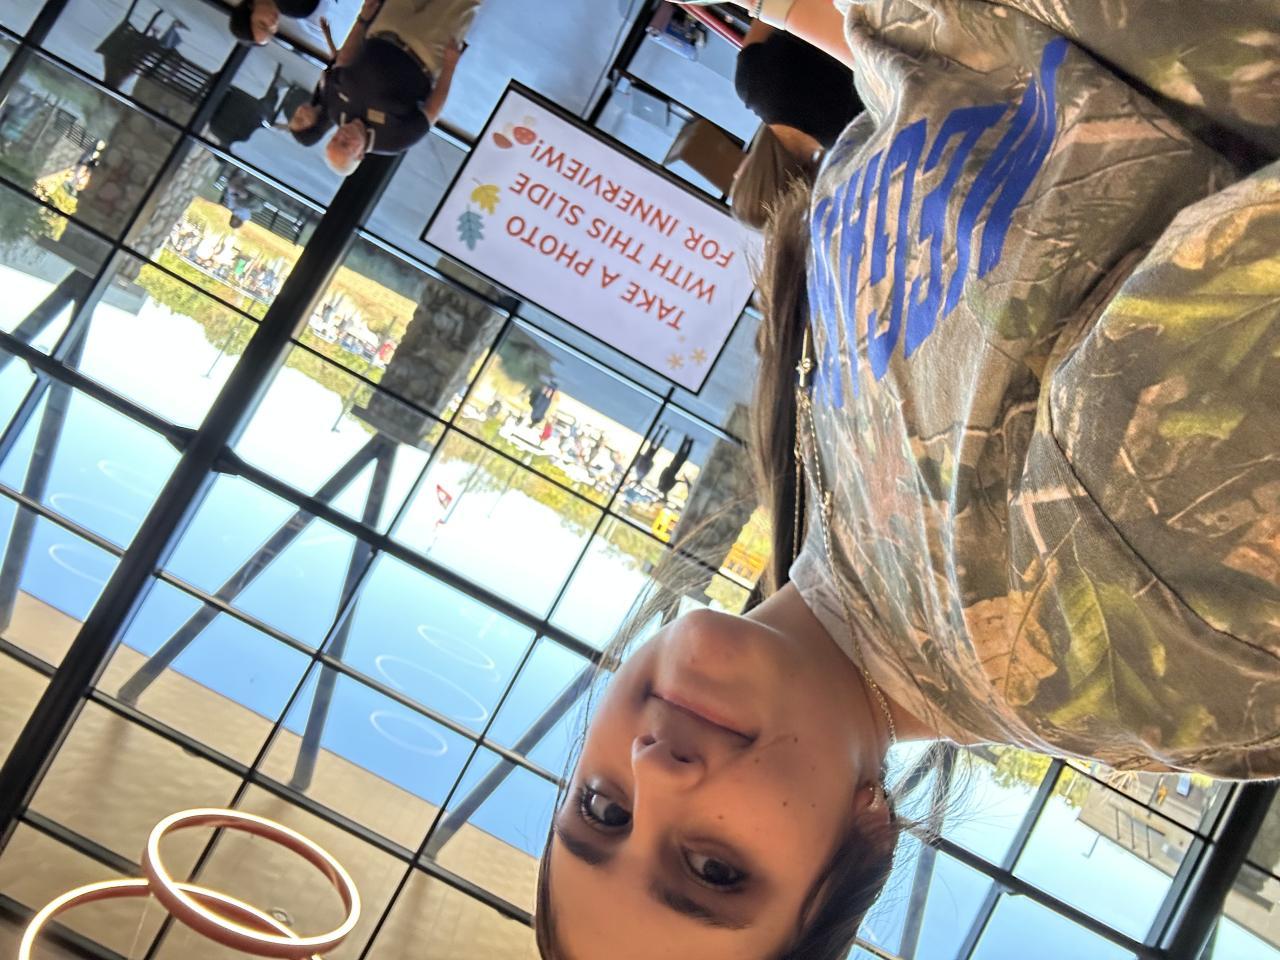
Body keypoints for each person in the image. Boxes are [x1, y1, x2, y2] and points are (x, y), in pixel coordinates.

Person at [535, 0, 1280, 956]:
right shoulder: (1111, 632)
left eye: (601, 810)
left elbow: (964, 75)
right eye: (714, 869)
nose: (652, 771)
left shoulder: (845, 514)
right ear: (868, 837)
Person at [317, 0, 479, 174]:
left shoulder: (333, 107)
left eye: (334, 139)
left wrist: (362, 19)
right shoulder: (394, 141)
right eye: (345, 144)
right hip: (426, 50)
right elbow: (431, 112)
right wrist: (449, 67)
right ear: (360, 155)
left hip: (385, 27)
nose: (342, 136)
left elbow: (344, 59)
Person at [729, 19, 861, 228]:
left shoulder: (852, 134)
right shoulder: (751, 85)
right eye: (738, 180)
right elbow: (766, 9)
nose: (735, 173)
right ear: (751, 175)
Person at [228, 0, 320, 46]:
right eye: (271, 32)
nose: (272, 25)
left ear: (250, 8)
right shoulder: (298, 9)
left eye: (263, 24)